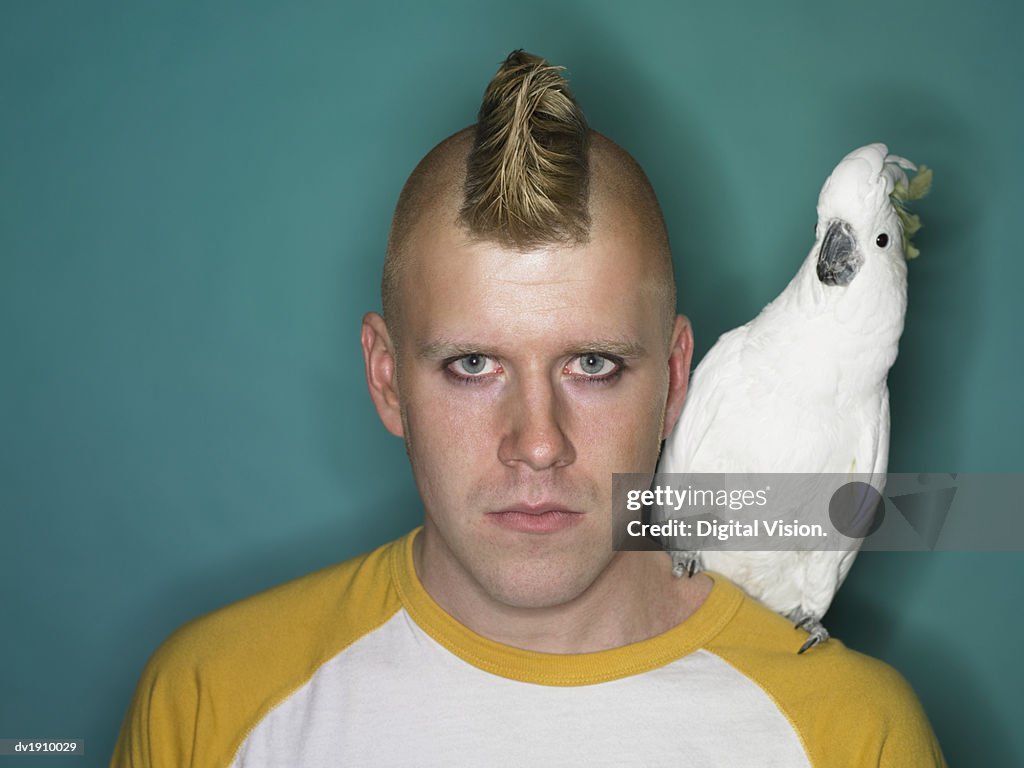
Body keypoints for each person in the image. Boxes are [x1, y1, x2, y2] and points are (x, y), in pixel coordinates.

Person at [111, 50, 946, 767]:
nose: (538, 445)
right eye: (473, 365)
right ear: (386, 378)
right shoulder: (208, 701)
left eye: (592, 364)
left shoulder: (853, 735)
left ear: (675, 382)